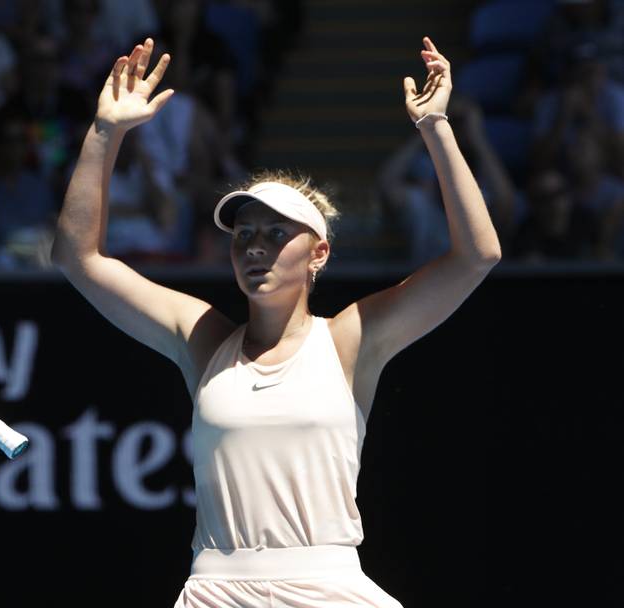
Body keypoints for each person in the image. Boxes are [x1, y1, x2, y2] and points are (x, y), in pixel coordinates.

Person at [51, 37, 502, 608]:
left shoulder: (351, 338)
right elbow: (78, 258)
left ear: (319, 254)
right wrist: (105, 132)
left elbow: (477, 255)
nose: (254, 246)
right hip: (215, 593)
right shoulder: (201, 338)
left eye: (276, 233)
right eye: (243, 234)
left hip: (329, 590)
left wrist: (435, 126)